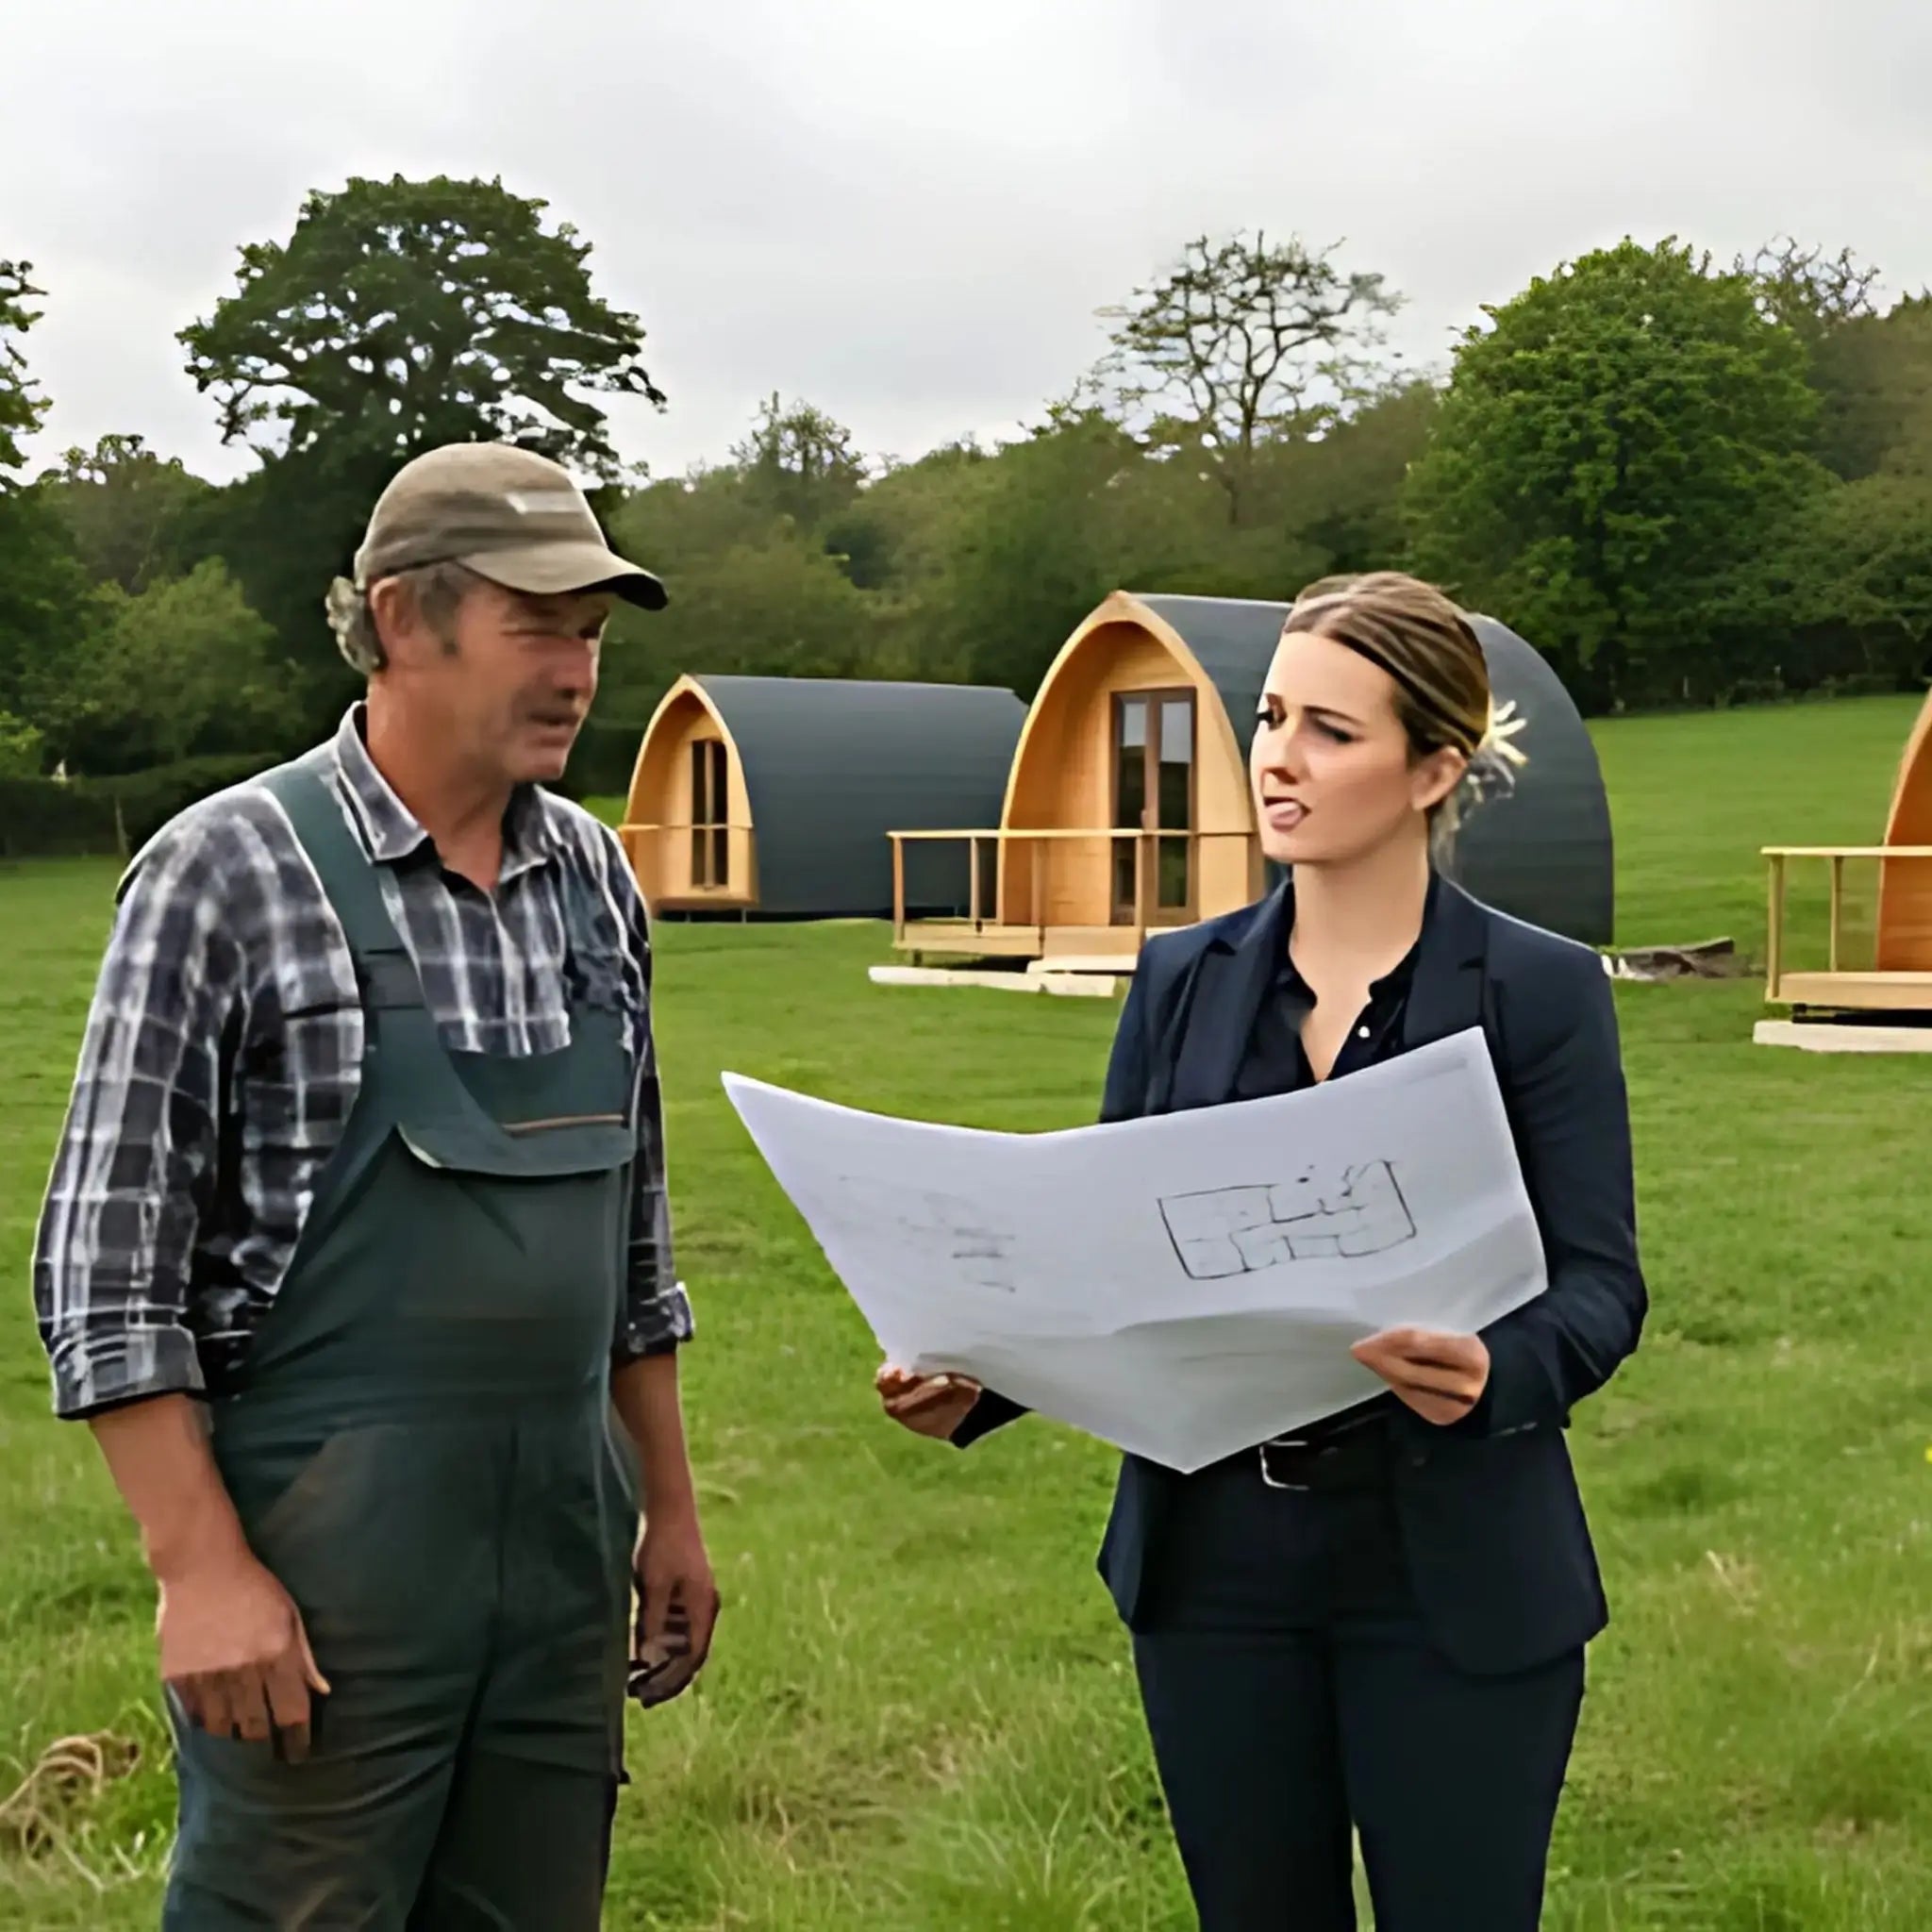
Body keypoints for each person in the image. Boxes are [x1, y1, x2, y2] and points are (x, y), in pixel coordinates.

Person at [876, 571, 1645, 1931]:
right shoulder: (1180, 982)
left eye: (1331, 731)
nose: (1277, 757)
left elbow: (1600, 1286)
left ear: (1433, 770)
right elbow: (1100, 1251)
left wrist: (1496, 1370)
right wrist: (979, 1379)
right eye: (1272, 715)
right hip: (1214, 1573)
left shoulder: (1537, 990)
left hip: (1454, 1574)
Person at [31, 441, 719, 1930]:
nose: (577, 670)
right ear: (406, 621)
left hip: (559, 1568)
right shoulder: (227, 874)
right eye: (541, 625)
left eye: (593, 635)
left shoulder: (596, 879)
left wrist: (669, 1511)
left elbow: (634, 1245)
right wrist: (201, 1574)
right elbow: (103, 1276)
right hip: (326, 1580)